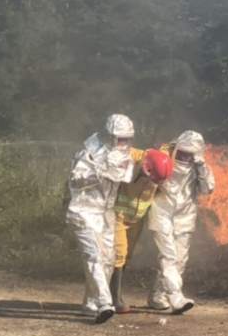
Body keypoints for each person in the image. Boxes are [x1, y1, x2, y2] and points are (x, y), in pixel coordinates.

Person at [65, 114, 139, 324]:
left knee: (107, 260)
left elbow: (124, 177)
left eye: (128, 140)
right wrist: (99, 170)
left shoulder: (124, 157)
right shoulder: (88, 154)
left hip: (106, 213)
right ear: (109, 137)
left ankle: (90, 303)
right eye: (120, 140)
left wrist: (115, 164)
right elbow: (74, 180)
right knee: (94, 257)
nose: (124, 144)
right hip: (83, 211)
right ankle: (105, 303)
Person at [148, 130, 215, 313]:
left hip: (185, 216)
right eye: (182, 152)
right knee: (168, 256)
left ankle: (157, 295)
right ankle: (176, 296)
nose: (185, 157)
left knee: (179, 260)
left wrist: (200, 165)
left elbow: (207, 189)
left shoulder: (199, 167)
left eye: (190, 154)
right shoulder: (164, 158)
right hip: (161, 211)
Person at [110, 147, 173, 312]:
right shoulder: (130, 156)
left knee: (127, 255)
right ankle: (114, 299)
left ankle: (109, 293)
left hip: (137, 218)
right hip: (118, 214)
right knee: (119, 253)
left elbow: (171, 146)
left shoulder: (162, 161)